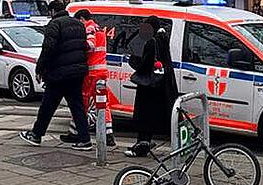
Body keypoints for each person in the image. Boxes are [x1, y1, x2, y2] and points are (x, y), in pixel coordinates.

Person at [20, 0, 91, 150]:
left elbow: (48, 49)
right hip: (77, 72)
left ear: (52, 11)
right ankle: (85, 139)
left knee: (48, 105)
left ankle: (36, 134)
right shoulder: (78, 24)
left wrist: (40, 69)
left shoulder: (54, 24)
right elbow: (83, 47)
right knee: (77, 106)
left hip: (59, 73)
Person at [125, 16, 178, 158]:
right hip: (162, 84)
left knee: (144, 118)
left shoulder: (150, 41)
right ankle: (147, 144)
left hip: (149, 86)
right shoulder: (163, 38)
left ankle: (142, 146)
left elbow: (143, 63)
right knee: (161, 118)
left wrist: (135, 63)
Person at [60, 10, 114, 147]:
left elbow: (90, 46)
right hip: (102, 71)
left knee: (81, 102)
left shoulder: (89, 28)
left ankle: (76, 132)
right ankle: (108, 134)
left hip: (90, 72)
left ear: (82, 19)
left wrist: (74, 47)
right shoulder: (100, 28)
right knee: (103, 103)